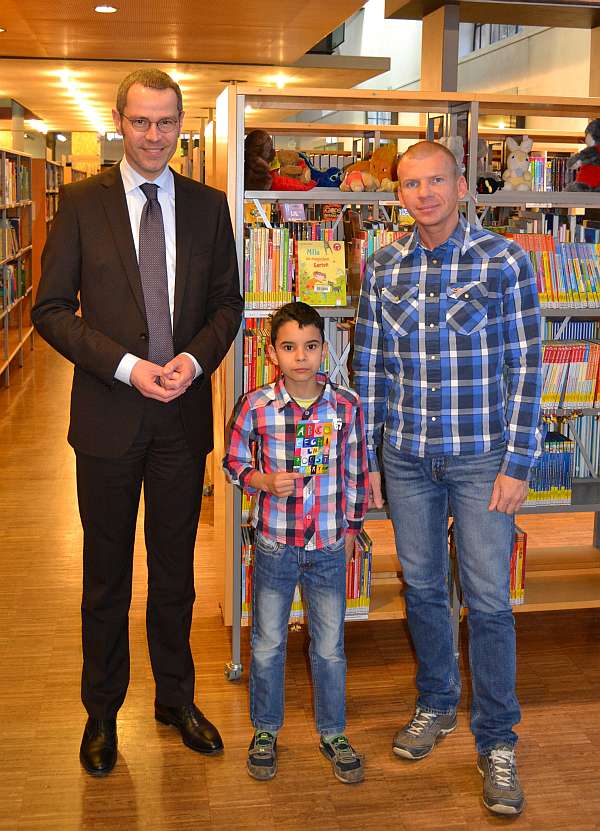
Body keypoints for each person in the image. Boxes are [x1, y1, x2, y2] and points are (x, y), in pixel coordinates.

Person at [32, 68, 243, 776]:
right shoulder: (81, 202)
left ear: (181, 123)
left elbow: (228, 307)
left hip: (181, 419)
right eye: (141, 122)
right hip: (109, 420)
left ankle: (175, 699)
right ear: (119, 122)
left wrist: (192, 359)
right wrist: (126, 366)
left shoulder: (211, 207)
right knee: (106, 575)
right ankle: (101, 711)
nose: (154, 136)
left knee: (177, 571)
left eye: (166, 122)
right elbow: (51, 309)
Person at [353, 141, 542, 816]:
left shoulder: (504, 261)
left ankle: (497, 740)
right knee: (425, 587)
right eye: (411, 183)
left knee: (489, 600)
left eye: (436, 180)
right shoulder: (382, 266)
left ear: (461, 184)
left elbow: (527, 366)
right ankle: (436, 702)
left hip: (482, 458)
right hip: (405, 457)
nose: (425, 193)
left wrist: (520, 462)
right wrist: (368, 460)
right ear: (396, 193)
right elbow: (369, 367)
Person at [223, 302, 368, 784]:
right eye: (289, 347)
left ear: (325, 350)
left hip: (327, 544)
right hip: (275, 545)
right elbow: (233, 463)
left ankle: (333, 731)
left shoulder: (345, 406)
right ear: (272, 353)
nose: (300, 357)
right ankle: (265, 729)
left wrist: (351, 529)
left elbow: (355, 473)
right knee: (267, 643)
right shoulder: (255, 406)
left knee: (329, 646)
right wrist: (262, 481)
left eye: (310, 347)